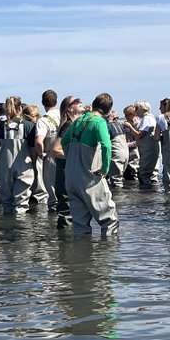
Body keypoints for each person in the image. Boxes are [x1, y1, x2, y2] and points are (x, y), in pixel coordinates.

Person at [61, 93, 119, 238]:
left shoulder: (77, 121)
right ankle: (106, 258)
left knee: (80, 225)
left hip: (71, 179)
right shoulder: (99, 122)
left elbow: (64, 142)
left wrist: (72, 160)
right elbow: (106, 146)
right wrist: (105, 169)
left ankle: (82, 258)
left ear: (93, 104)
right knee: (109, 221)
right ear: (107, 110)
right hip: (89, 178)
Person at [0, 96, 36, 216]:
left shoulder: (0, 125)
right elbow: (33, 150)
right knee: (21, 203)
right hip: (23, 164)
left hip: (4, 165)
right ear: (20, 108)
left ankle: (8, 229)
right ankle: (20, 230)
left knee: (7, 202)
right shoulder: (29, 125)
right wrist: (34, 165)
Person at [51, 95, 84, 229]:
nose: (80, 101)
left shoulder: (75, 124)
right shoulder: (68, 125)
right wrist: (76, 157)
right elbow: (56, 150)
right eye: (76, 101)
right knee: (66, 210)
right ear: (69, 109)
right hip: (65, 173)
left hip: (70, 172)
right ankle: (65, 244)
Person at [35, 89, 60, 211]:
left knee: (53, 193)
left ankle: (53, 224)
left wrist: (41, 154)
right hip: (66, 155)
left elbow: (39, 141)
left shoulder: (43, 120)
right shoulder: (65, 116)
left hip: (51, 156)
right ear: (56, 101)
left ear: (42, 102)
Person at [125, 101, 159, 188]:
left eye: (137, 109)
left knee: (143, 173)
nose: (135, 111)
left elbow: (140, 135)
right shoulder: (151, 117)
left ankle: (146, 194)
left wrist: (130, 127)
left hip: (148, 149)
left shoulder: (146, 119)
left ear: (143, 109)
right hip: (150, 149)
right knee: (150, 173)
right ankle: (152, 193)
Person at [122, 105, 140, 181]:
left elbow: (139, 139)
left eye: (127, 114)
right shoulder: (125, 124)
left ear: (133, 114)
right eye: (125, 115)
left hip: (134, 150)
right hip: (126, 150)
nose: (125, 116)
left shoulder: (138, 124)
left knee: (133, 170)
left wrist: (127, 145)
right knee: (126, 171)